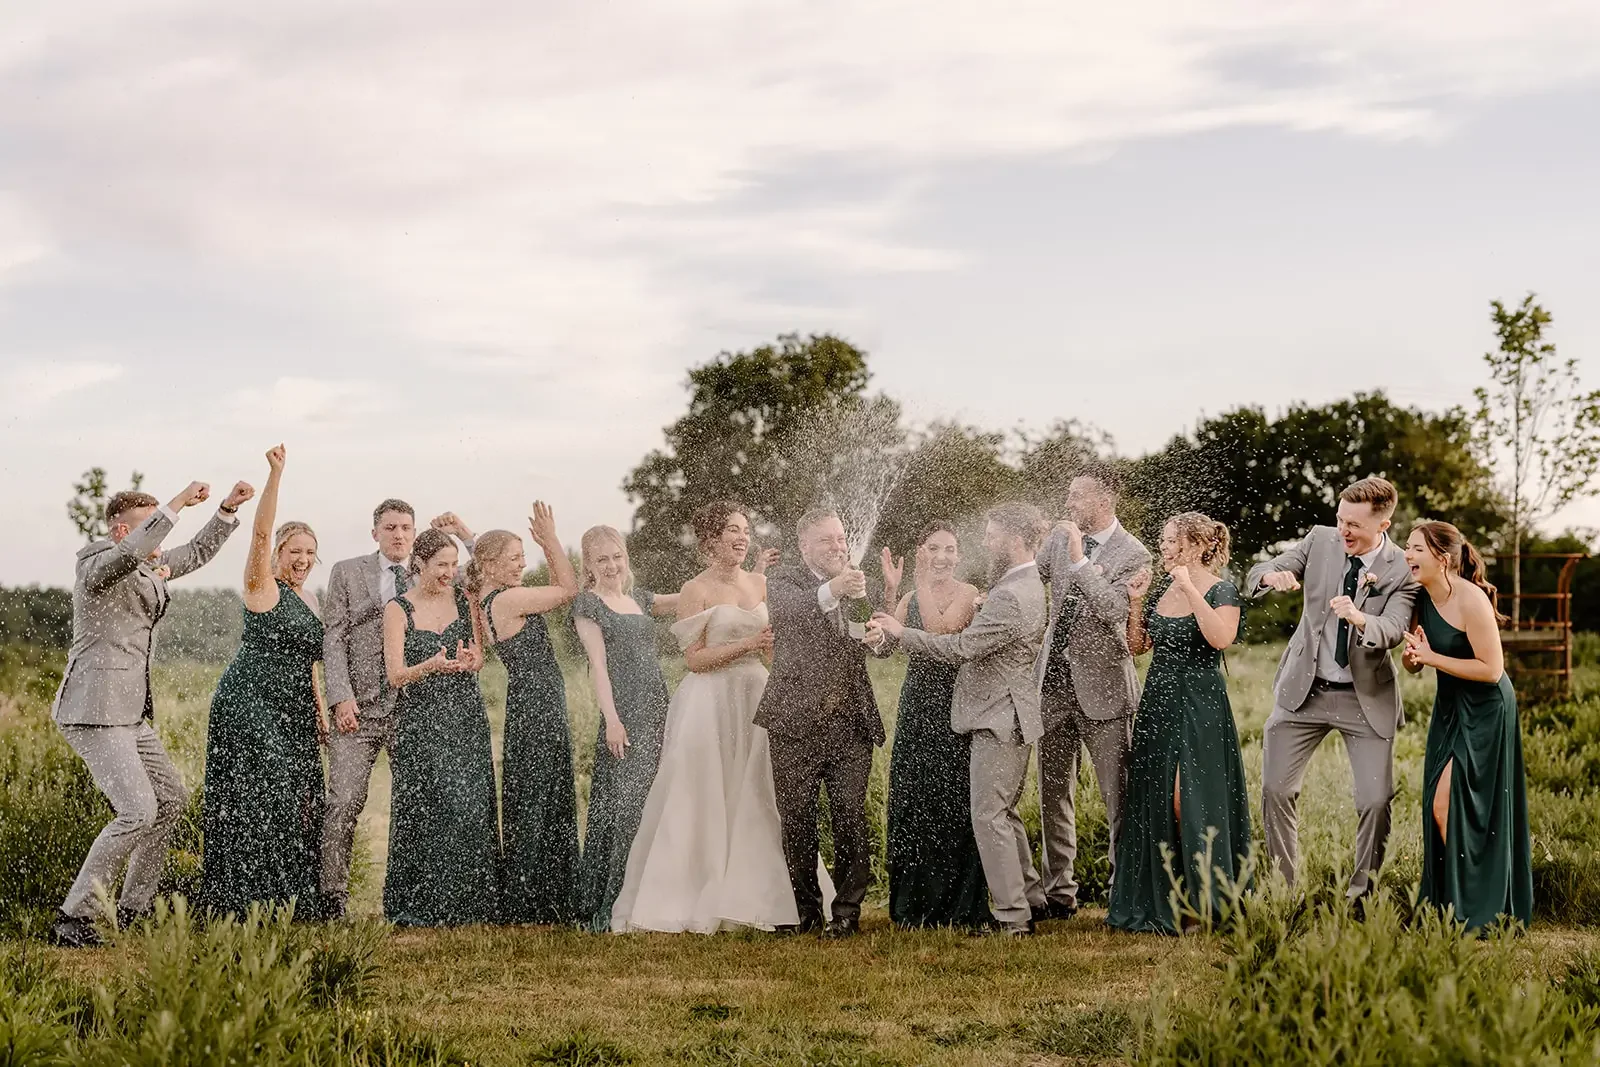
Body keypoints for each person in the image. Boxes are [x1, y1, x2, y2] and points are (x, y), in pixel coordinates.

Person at [611, 502, 830, 933]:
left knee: (761, 791)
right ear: (712, 540)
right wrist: (748, 646)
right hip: (708, 702)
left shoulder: (762, 583)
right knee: (705, 794)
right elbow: (693, 659)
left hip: (757, 694)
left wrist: (772, 652)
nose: (742, 536)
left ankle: (766, 899)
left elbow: (772, 646)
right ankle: (695, 895)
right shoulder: (695, 590)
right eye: (732, 529)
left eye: (745, 529)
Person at [51, 477, 252, 947]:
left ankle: (134, 907)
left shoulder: (148, 567)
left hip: (131, 713)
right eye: (150, 530)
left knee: (171, 802)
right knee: (137, 811)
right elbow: (127, 556)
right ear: (123, 531)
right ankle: (72, 918)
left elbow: (196, 553)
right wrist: (178, 502)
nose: (160, 542)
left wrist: (224, 509)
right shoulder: (98, 564)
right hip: (93, 709)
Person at [870, 502, 1049, 937]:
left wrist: (902, 630)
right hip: (978, 709)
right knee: (1000, 812)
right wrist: (889, 618)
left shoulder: (1005, 593)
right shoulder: (1015, 586)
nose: (983, 542)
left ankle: (1013, 917)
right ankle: (1032, 900)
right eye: (936, 548)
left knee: (988, 815)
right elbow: (890, 644)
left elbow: (957, 646)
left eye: (990, 535)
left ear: (1013, 538)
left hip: (994, 714)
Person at [1247, 477, 1418, 902]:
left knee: (1375, 801)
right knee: (1275, 790)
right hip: (1303, 692)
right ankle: (1283, 893)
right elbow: (1260, 570)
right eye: (1341, 519)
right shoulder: (1320, 540)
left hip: (1365, 698)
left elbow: (1395, 628)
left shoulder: (1402, 569)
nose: (1344, 531)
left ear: (1384, 524)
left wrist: (1361, 619)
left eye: (1355, 525)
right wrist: (1274, 577)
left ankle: (1360, 897)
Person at [201, 444, 327, 920]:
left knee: (299, 796)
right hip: (248, 701)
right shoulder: (261, 587)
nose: (303, 559)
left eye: (311, 553)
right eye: (295, 551)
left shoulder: (311, 599)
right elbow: (258, 532)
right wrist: (275, 475)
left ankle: (287, 902)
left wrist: (318, 708)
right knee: (264, 792)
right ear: (278, 554)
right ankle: (242, 901)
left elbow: (309, 663)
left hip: (294, 708)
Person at [1106, 513, 1248, 934]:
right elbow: (1137, 647)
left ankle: (1206, 902)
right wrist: (1136, 603)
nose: (1164, 547)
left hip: (1201, 703)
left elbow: (1221, 638)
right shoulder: (1163, 588)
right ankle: (1165, 900)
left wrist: (1189, 585)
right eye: (1164, 540)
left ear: (1197, 545)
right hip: (1159, 700)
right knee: (1156, 798)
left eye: (1172, 541)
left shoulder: (1221, 589)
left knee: (1191, 798)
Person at [757, 508, 887, 938]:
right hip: (794, 722)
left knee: (849, 813)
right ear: (804, 546)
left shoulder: (855, 583)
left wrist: (878, 636)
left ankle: (847, 912)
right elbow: (792, 615)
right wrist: (835, 587)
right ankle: (804, 911)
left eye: (841, 539)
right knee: (796, 818)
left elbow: (875, 640)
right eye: (827, 540)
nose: (839, 547)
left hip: (849, 721)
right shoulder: (783, 582)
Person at [1034, 470, 1152, 918]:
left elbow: (1116, 612)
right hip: (1052, 685)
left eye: (1077, 496)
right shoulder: (1059, 540)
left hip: (1104, 687)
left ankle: (1121, 893)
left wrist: (1082, 562)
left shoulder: (1134, 552)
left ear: (1105, 499)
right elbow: (1033, 575)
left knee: (1116, 795)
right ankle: (1058, 894)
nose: (1069, 504)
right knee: (1052, 792)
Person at [1402, 521, 1531, 931]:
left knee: (1460, 806)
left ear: (1442, 558)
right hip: (1450, 707)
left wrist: (1433, 658)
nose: (1407, 555)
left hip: (1487, 709)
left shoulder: (1471, 599)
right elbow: (1415, 660)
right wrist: (1414, 657)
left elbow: (1492, 670)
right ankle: (1452, 907)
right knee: (1439, 805)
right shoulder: (1421, 597)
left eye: (1415, 548)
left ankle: (1476, 909)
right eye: (1407, 547)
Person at [458, 506, 582, 925]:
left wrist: (466, 533)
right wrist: (549, 537)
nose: (522, 563)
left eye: (524, 554)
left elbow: (490, 560)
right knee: (539, 797)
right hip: (539, 705)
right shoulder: (509, 599)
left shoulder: (488, 598)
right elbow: (568, 588)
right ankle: (531, 901)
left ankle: (541, 897)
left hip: (527, 702)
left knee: (537, 793)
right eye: (516, 556)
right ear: (491, 564)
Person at [381, 529, 498, 926]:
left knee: (467, 803)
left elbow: (481, 656)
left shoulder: (465, 602)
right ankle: (422, 903)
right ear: (420, 564)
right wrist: (429, 666)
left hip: (465, 714)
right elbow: (395, 675)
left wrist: (470, 660)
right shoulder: (398, 609)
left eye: (453, 564)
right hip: (421, 719)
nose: (450, 573)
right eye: (441, 565)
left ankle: (469, 901)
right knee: (427, 807)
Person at [879, 522, 990, 929]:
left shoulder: (968, 593)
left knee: (953, 797)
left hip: (954, 704)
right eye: (933, 549)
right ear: (921, 550)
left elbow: (941, 632)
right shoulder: (909, 595)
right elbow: (886, 646)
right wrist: (892, 593)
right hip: (916, 704)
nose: (942, 557)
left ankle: (957, 904)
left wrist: (920, 582)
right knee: (915, 795)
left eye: (949, 549)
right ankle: (913, 904)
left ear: (959, 555)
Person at [570, 525, 679, 932]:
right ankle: (614, 900)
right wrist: (612, 720)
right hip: (625, 714)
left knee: (654, 799)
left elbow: (693, 598)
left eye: (616, 556)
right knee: (626, 806)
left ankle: (653, 896)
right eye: (602, 559)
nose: (612, 565)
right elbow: (598, 665)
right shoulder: (588, 604)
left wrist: (749, 574)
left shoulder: (640, 599)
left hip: (657, 706)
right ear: (590, 565)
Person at [319, 498, 419, 919]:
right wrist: (340, 697)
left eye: (406, 528)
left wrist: (466, 534)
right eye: (391, 527)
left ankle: (412, 895)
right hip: (356, 710)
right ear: (374, 532)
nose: (399, 535)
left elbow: (474, 577)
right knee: (342, 802)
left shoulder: (428, 570)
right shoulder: (346, 571)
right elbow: (334, 638)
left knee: (416, 800)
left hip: (412, 709)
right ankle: (332, 897)